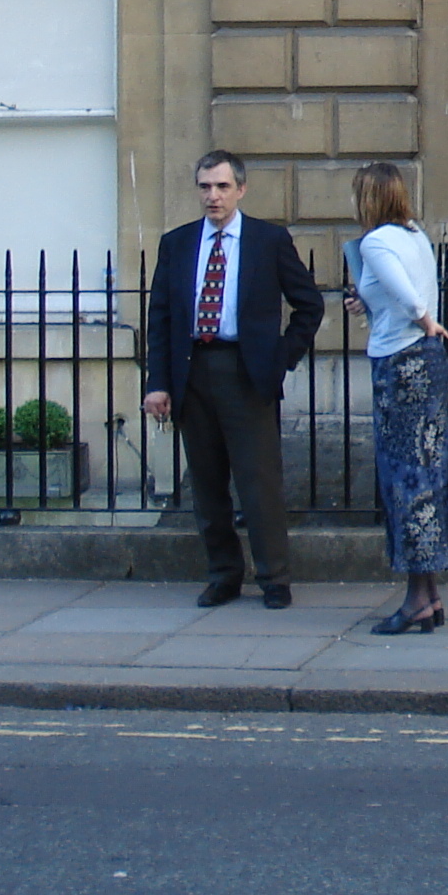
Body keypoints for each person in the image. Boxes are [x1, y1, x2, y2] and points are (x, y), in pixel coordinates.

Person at [142, 151, 326, 609]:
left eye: (222, 187)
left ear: (240, 190)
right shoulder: (178, 243)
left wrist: (278, 358)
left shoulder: (268, 240)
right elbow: (160, 317)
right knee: (206, 484)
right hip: (194, 370)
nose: (213, 196)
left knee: (258, 481)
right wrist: (157, 382)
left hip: (246, 372)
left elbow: (309, 306)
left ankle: (274, 578)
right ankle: (224, 574)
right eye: (205, 186)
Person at [343, 161, 448, 633]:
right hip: (428, 360)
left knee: (405, 482)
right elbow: (389, 297)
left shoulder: (375, 242)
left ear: (369, 198)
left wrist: (423, 319)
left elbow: (408, 297)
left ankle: (417, 599)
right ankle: (429, 596)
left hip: (400, 363)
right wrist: (366, 303)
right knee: (430, 475)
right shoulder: (415, 235)